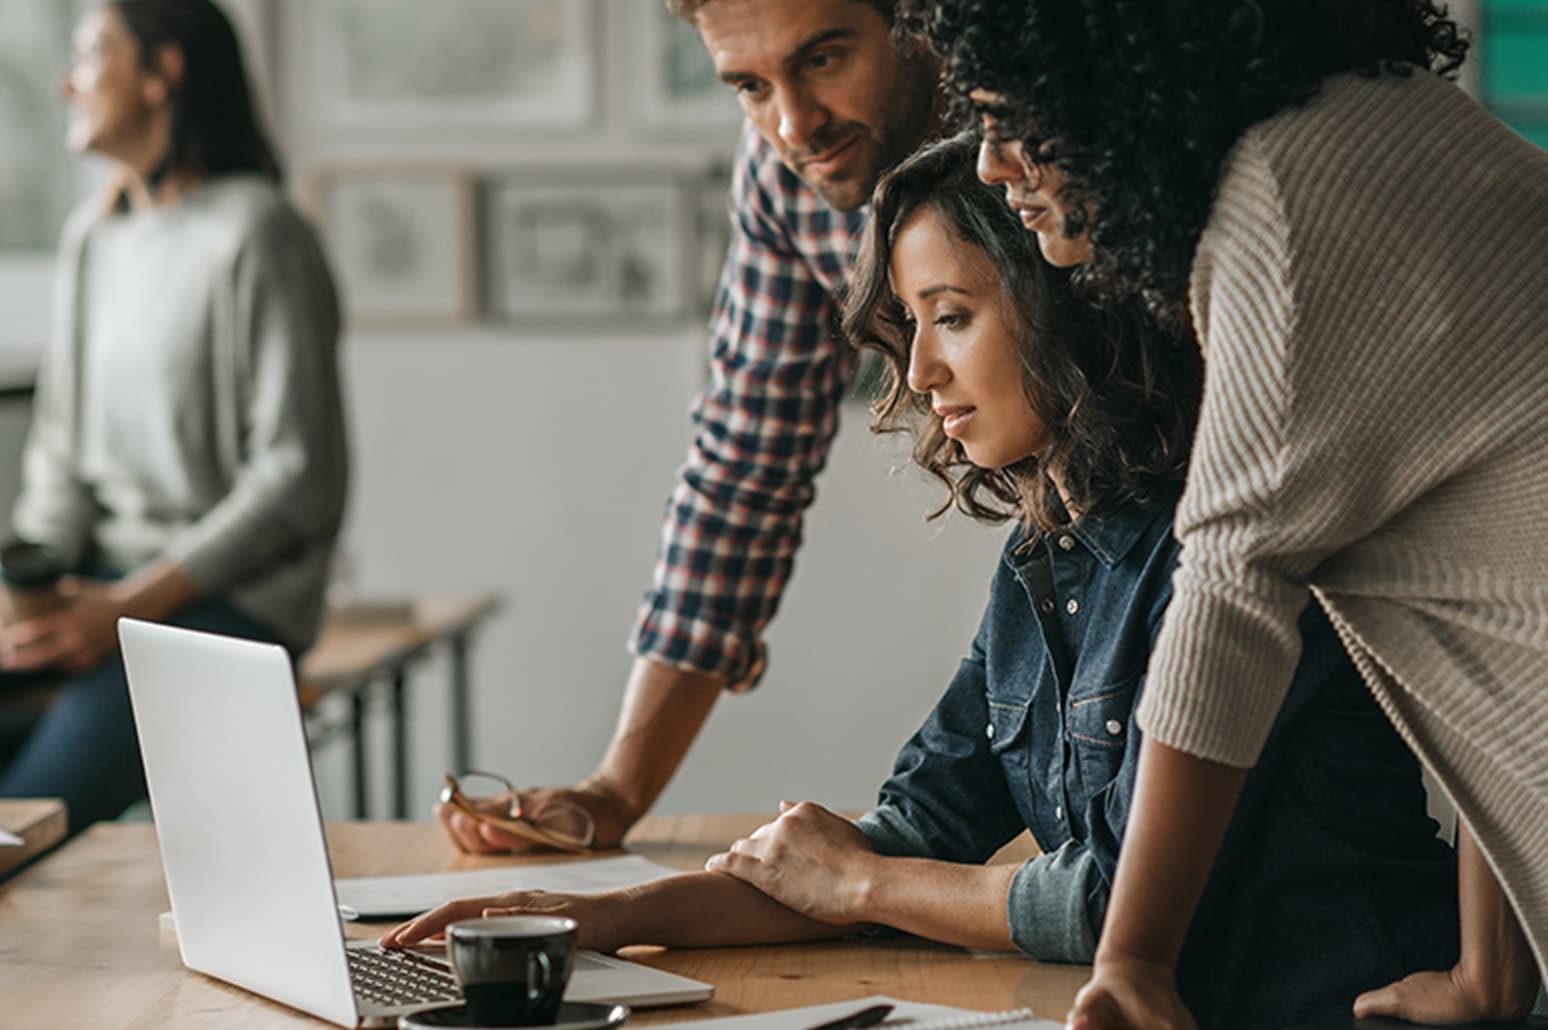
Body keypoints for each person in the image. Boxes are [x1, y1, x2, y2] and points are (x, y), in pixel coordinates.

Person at [388, 136, 1459, 1029]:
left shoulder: (1223, 550)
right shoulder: (1041, 561)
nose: (918, 375)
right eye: (909, 331)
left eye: (950, 316)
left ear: (1070, 304)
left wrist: (859, 883)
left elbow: (1115, 899)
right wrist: (593, 921)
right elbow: (902, 839)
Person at [907, 0, 1548, 1025]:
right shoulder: (1385, 125)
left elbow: (1229, 606)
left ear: (1114, 67)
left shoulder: (1282, 213)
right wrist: (1491, 975)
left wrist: (1134, 961)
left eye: (1009, 114)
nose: (990, 164)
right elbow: (1489, 596)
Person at [437, 0, 943, 856]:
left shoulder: (1062, 128)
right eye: (750, 86)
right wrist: (613, 794)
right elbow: (745, 465)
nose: (793, 124)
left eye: (822, 60)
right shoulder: (788, 173)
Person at [0, 0, 348, 836]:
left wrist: (125, 605)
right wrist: (33, 591)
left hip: (221, 611)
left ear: (164, 73)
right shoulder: (95, 236)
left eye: (89, 56)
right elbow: (61, 450)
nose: (66, 83)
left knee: (25, 818)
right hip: (99, 599)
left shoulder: (261, 235)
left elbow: (297, 477)